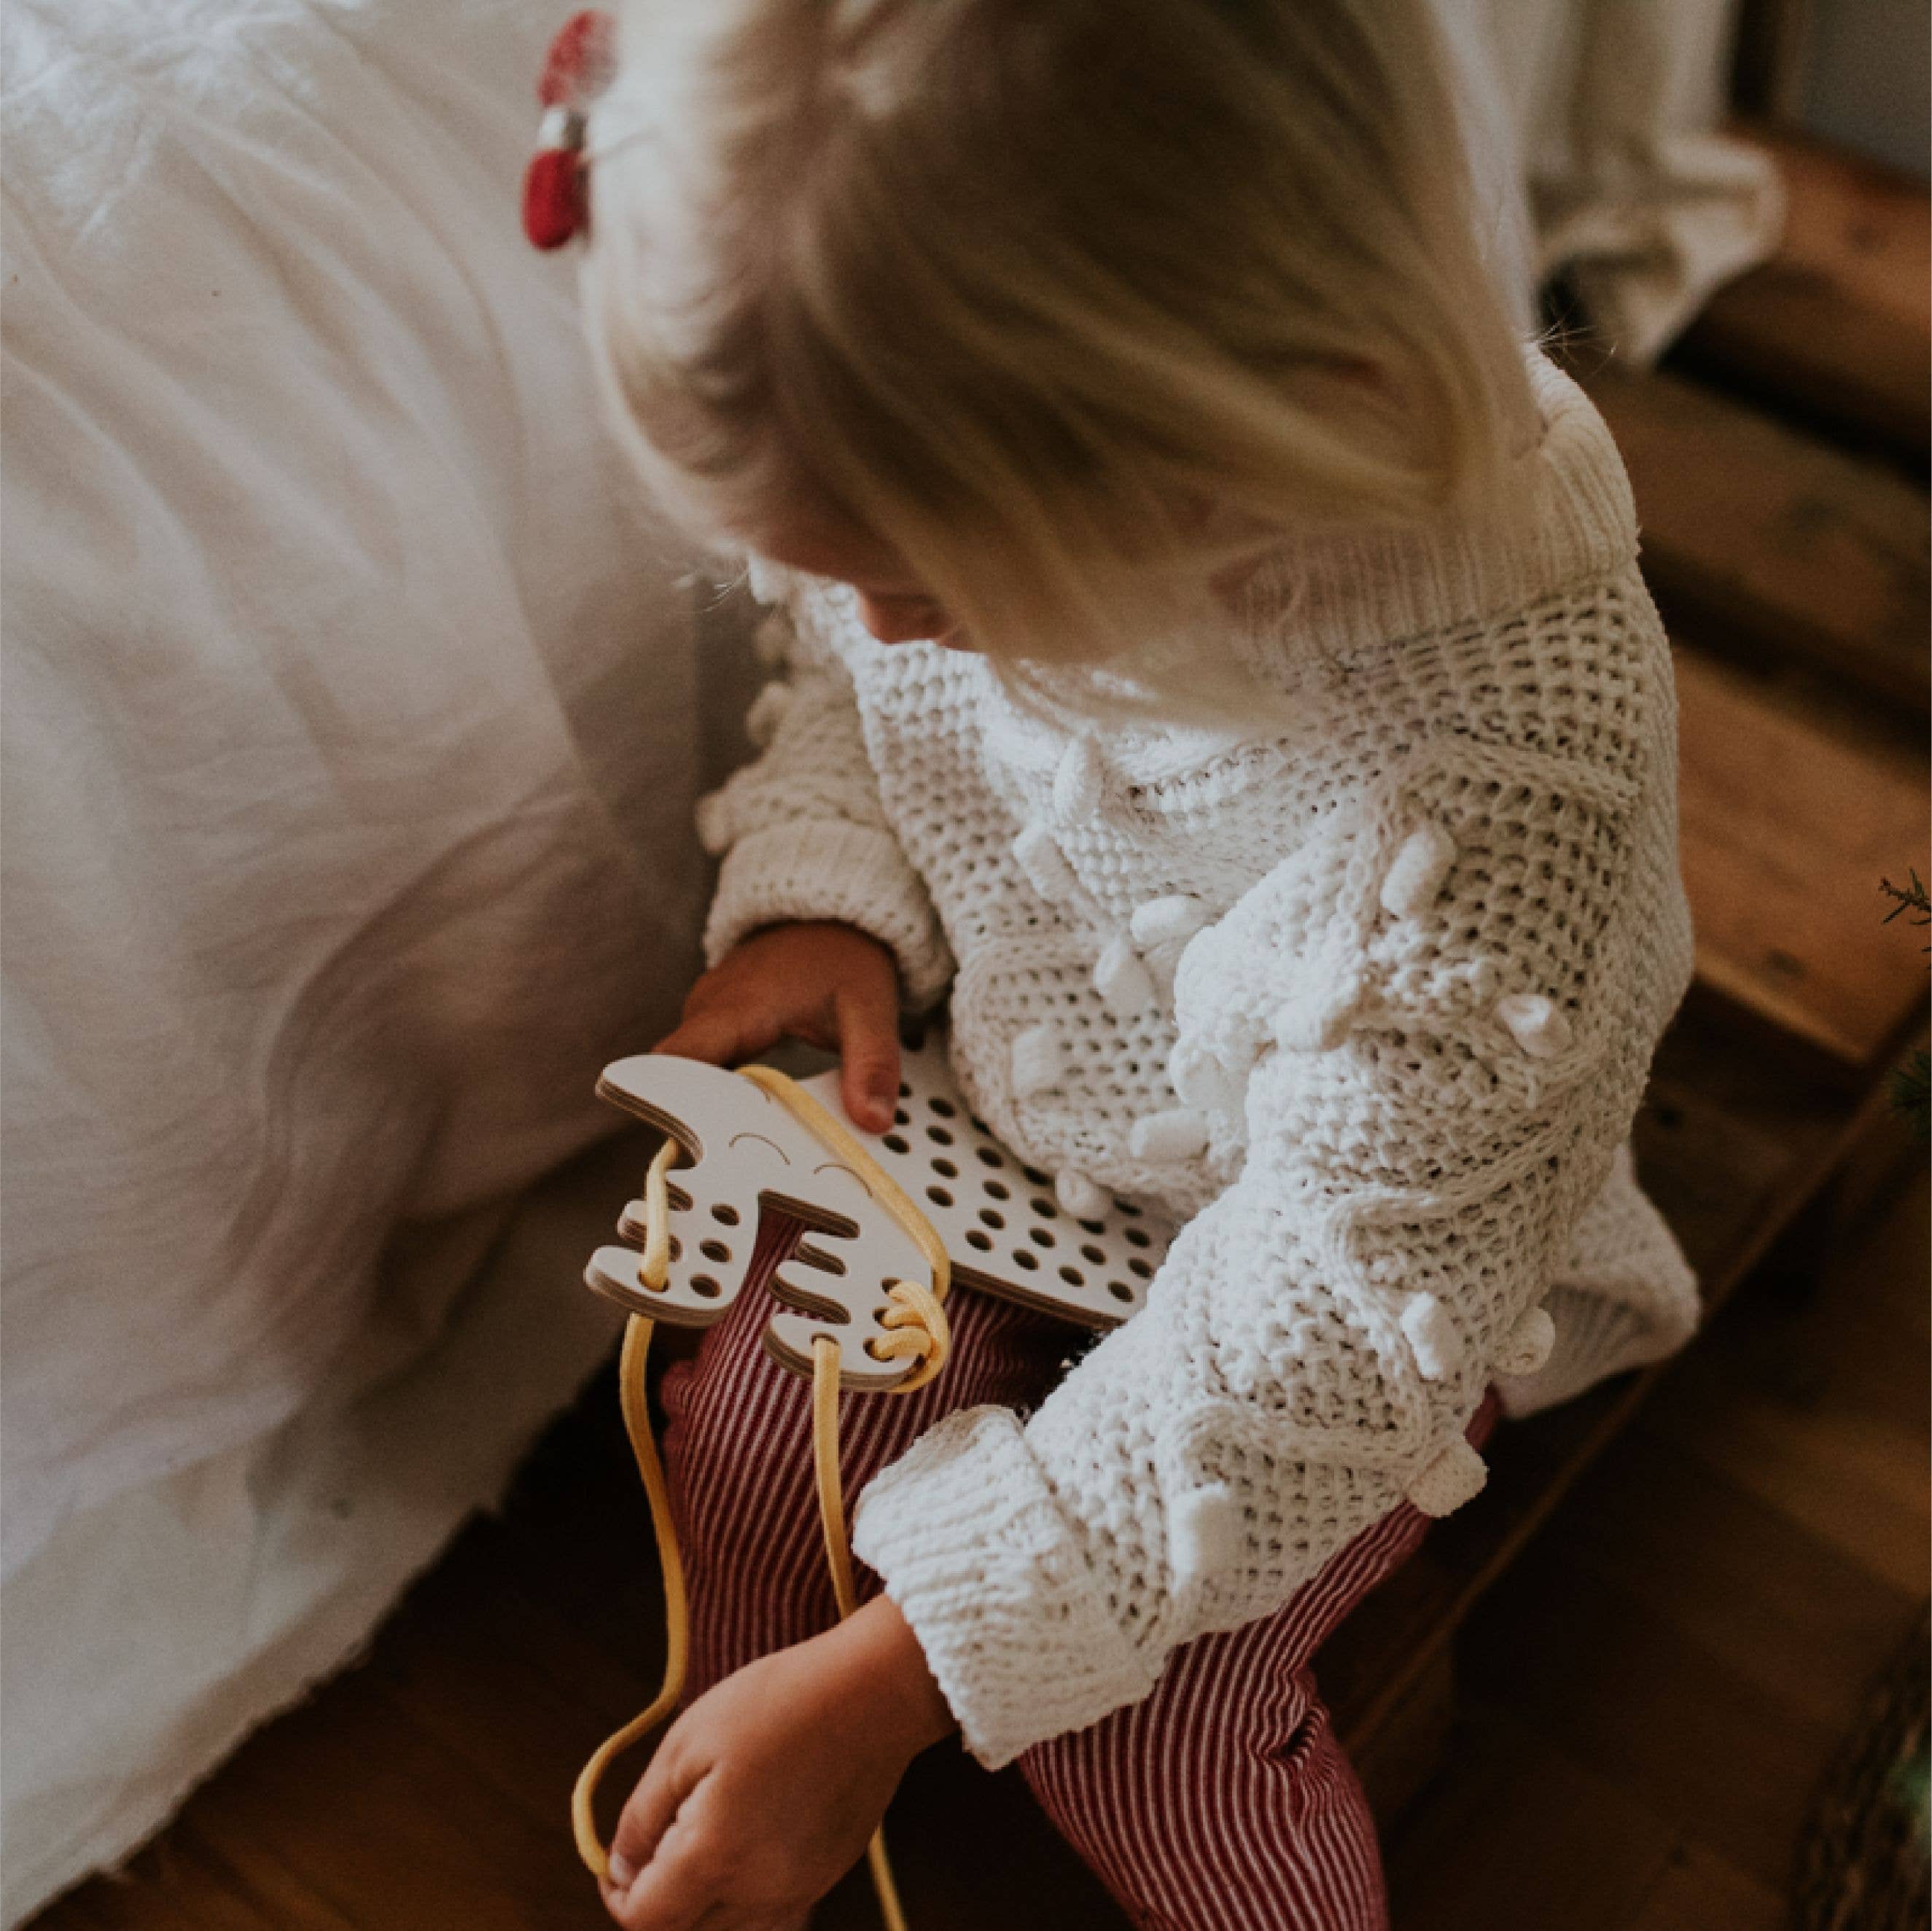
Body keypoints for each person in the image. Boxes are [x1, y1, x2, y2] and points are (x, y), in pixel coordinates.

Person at [545, 1, 1702, 1924]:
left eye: (925, 568)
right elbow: (862, 680)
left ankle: (871, 1755)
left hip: (1351, 1286)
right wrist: (829, 889)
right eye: (830, 556)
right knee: (751, 1441)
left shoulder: (1510, 777)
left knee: (1145, 1723)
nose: (874, 615)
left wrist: (907, 1666)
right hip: (1014, 1123)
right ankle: (749, 1825)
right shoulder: (983, 480)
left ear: (1238, 427)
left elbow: (1332, 1312)